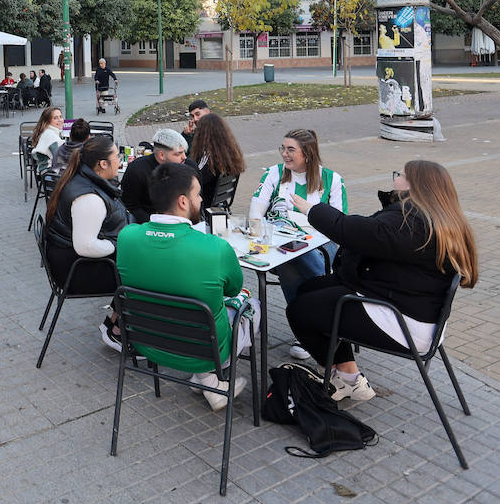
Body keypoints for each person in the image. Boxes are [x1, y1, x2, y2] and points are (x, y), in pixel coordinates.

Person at [286, 160, 479, 402]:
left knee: (299, 310)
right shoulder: (438, 217)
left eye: (400, 174)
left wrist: (311, 209)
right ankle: (346, 372)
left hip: (404, 321)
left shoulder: (411, 222)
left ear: (415, 185)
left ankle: (346, 379)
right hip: (415, 306)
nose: (395, 177)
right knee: (311, 288)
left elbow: (354, 231)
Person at [115, 161, 249, 409]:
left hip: (148, 343)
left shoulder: (126, 237)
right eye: (198, 194)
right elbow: (233, 290)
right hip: (207, 349)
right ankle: (212, 378)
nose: (201, 200)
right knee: (251, 306)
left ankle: (205, 379)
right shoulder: (215, 247)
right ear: (183, 202)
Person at [249, 128, 347, 361]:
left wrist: (300, 217)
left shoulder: (332, 179)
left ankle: (306, 326)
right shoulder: (274, 173)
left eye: (290, 149)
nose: (284, 154)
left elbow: (339, 227)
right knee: (290, 257)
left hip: (323, 249)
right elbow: (254, 216)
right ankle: (317, 323)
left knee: (293, 259)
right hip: (282, 248)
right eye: (282, 148)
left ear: (308, 153)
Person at [41, 135, 128, 347]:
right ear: (102, 164)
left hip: (70, 262)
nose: (121, 161)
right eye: (117, 157)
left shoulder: (83, 180)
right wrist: (119, 245)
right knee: (144, 275)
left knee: (140, 266)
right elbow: (85, 246)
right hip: (77, 272)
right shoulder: (89, 198)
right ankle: (118, 331)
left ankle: (113, 323)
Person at [117, 128, 195, 223]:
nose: (184, 157)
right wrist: (154, 224)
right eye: (178, 154)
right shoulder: (137, 170)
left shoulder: (189, 167)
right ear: (161, 155)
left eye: (184, 152)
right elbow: (130, 205)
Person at [188, 113, 246, 215]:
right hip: (216, 199)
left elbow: (195, 178)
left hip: (203, 201)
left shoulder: (209, 158)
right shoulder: (226, 152)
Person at [29, 106, 65, 171]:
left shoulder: (48, 132)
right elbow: (58, 159)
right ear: (48, 121)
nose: (60, 120)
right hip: (50, 173)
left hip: (46, 171)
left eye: (60, 117)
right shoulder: (51, 136)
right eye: (55, 118)